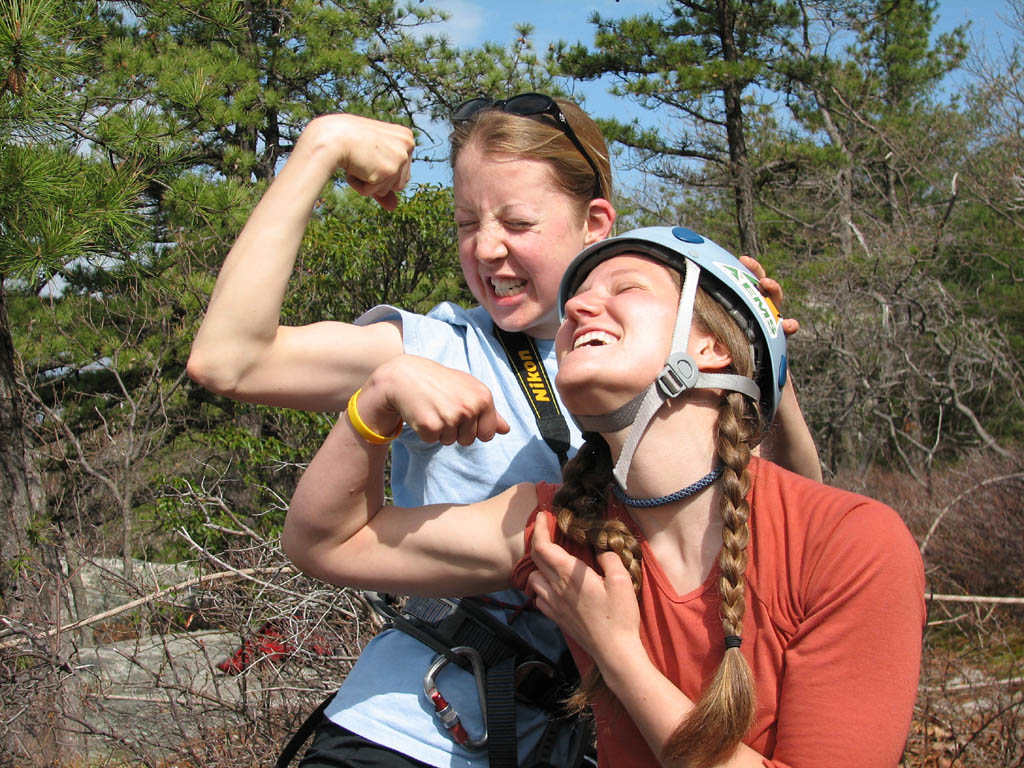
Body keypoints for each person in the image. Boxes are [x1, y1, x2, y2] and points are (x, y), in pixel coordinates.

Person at [187, 96, 822, 767]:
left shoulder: (659, 357)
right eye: (467, 224)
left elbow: (789, 535)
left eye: (518, 222)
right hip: (411, 732)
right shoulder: (436, 347)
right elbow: (227, 358)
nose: (486, 247)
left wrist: (756, 353)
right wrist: (319, 148)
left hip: (573, 741)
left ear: (594, 223)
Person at [283, 226, 926, 768]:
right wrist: (373, 405)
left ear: (711, 347)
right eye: (575, 304)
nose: (579, 311)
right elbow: (328, 542)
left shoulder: (852, 545)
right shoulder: (565, 531)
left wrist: (617, 651)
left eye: (625, 290)